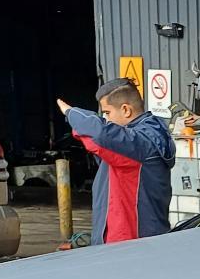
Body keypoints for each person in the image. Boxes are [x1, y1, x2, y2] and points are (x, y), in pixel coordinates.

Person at [57, 80, 175, 244]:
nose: (106, 119)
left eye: (107, 113)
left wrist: (71, 113)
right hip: (142, 240)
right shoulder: (147, 136)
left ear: (126, 110)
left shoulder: (137, 143)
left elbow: (99, 134)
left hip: (127, 244)